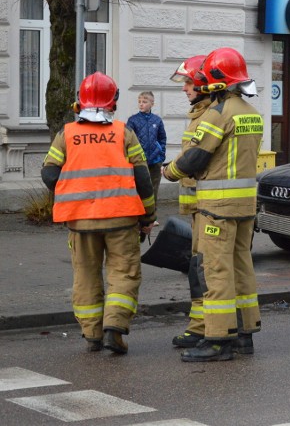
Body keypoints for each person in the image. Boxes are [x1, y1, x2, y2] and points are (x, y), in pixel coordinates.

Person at [41, 72, 157, 355]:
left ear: (79, 102)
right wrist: (148, 216)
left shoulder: (66, 134)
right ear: (113, 102)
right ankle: (113, 329)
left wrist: (74, 193)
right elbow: (143, 179)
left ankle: (92, 334)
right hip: (123, 218)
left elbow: (49, 173)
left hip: (81, 221)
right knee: (123, 273)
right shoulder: (123, 132)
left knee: (85, 275)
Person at [163, 47, 263, 362]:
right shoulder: (251, 113)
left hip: (217, 209)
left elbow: (196, 157)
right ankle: (244, 334)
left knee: (215, 270)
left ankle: (219, 339)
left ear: (217, 82)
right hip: (245, 206)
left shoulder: (218, 114)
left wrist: (170, 171)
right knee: (241, 267)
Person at [167, 54, 214, 349]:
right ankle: (199, 326)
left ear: (202, 85)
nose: (184, 88)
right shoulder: (200, 113)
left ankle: (209, 329)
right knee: (198, 266)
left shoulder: (210, 116)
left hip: (210, 208)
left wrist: (169, 171)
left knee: (205, 268)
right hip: (200, 207)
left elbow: (193, 160)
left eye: (188, 82)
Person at [126, 91, 167, 208]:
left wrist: (161, 153)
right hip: (140, 161)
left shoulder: (157, 120)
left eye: (144, 102)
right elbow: (128, 140)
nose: (141, 104)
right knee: (140, 187)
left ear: (152, 104)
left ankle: (152, 216)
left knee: (154, 188)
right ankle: (140, 215)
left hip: (155, 160)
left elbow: (162, 138)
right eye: (139, 102)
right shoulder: (133, 120)